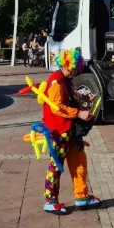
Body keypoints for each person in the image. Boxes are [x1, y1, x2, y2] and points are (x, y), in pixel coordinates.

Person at [40, 48, 102, 215]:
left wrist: (82, 99)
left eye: (76, 69)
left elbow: (70, 98)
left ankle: (82, 197)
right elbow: (56, 107)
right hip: (59, 131)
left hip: (71, 130)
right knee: (56, 166)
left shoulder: (67, 79)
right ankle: (51, 201)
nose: (74, 72)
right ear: (65, 64)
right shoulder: (56, 81)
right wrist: (79, 113)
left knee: (79, 162)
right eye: (72, 68)